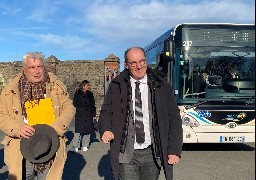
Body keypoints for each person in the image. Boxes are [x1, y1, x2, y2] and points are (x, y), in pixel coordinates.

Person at [98, 47, 183, 180]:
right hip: (126, 152)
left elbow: (174, 118)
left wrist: (174, 149)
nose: (139, 66)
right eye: (134, 63)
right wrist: (105, 129)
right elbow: (106, 111)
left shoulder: (161, 85)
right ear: (126, 65)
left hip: (152, 152)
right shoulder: (116, 85)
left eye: (142, 61)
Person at [0, 52, 76, 180]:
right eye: (32, 67)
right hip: (21, 145)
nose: (37, 71)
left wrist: (55, 127)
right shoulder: (10, 89)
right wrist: (18, 129)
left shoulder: (56, 86)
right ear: (24, 69)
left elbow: (70, 108)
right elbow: (1, 115)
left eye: (40, 67)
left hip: (49, 143)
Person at [72, 80, 96, 152]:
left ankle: (85, 145)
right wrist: (74, 113)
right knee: (78, 131)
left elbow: (93, 104)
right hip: (80, 114)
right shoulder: (77, 93)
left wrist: (94, 115)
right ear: (83, 85)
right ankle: (76, 145)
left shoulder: (90, 94)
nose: (89, 87)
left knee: (87, 131)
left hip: (88, 113)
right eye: (87, 85)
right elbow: (74, 104)